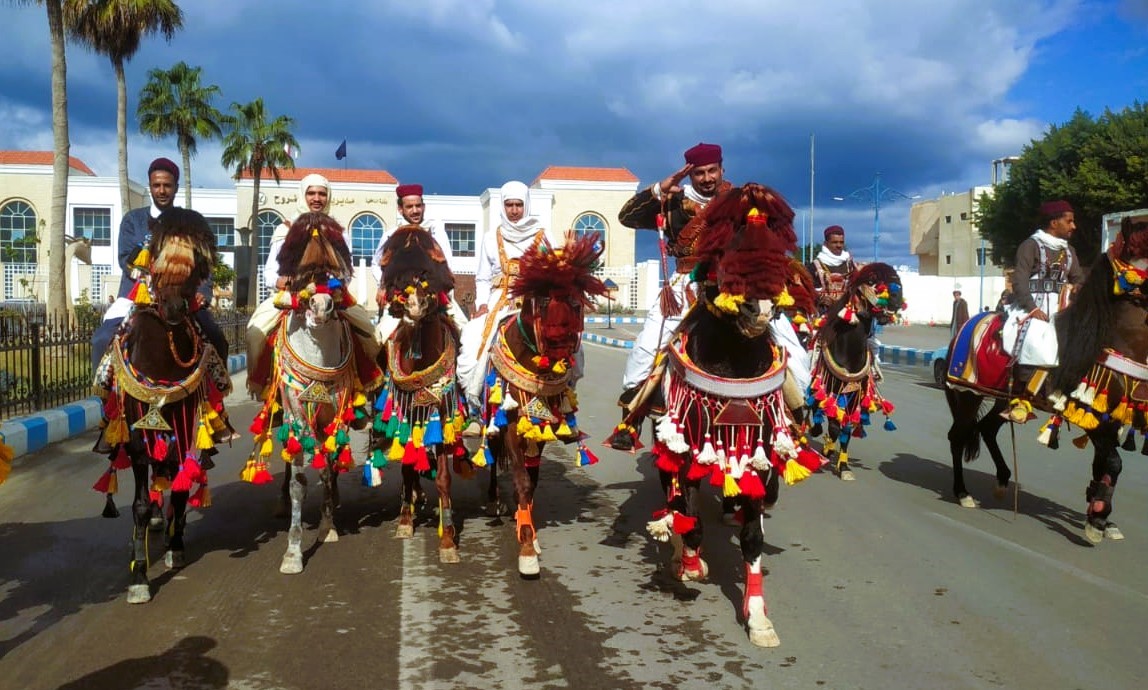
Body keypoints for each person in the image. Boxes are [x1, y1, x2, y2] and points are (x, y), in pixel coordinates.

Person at [614, 142, 731, 420]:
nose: (707, 179)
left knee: (787, 344)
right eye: (699, 173)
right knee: (647, 346)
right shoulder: (673, 201)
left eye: (712, 171)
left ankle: (795, 412)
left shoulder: (738, 200)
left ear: (721, 169)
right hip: (683, 286)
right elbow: (626, 217)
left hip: (731, 285)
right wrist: (658, 190)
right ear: (690, 176)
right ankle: (632, 411)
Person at [245, 175, 380, 397]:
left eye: (322, 193)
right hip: (291, 296)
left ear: (328, 197)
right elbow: (270, 271)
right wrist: (280, 281)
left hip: (332, 295)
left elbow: (346, 272)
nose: (316, 198)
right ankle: (267, 391)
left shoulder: (338, 232)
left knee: (370, 335)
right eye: (311, 193)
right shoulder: (285, 229)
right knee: (254, 336)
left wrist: (334, 284)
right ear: (302, 195)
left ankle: (360, 391)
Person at [91, 157, 227, 373]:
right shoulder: (132, 220)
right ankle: (104, 397)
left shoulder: (191, 221)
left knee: (216, 337)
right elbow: (125, 259)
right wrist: (154, 282)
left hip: (183, 298)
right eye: (156, 185)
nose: (162, 190)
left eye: (167, 185)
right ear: (150, 186)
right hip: (137, 297)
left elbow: (206, 262)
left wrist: (203, 291)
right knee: (101, 339)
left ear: (175, 187)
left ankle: (215, 396)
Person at [457, 181, 562, 412]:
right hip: (500, 300)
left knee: (565, 341)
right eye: (509, 205)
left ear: (526, 205)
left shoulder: (544, 236)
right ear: (502, 206)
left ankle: (562, 400)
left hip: (536, 302)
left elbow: (556, 272)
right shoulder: (490, 238)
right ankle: (475, 404)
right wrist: (483, 303)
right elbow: (483, 277)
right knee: (474, 340)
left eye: (518, 205)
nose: (514, 211)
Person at [370, 183, 468, 340]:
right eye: (409, 207)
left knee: (465, 333)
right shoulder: (391, 235)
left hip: (435, 296)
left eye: (418, 206)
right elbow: (376, 264)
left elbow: (447, 263)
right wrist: (382, 286)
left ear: (424, 206)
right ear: (400, 209)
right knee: (380, 338)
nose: (415, 210)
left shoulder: (435, 232)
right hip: (399, 297)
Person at [1001, 199, 1083, 366]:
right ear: (1054, 223)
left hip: (1063, 309)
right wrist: (1033, 309)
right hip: (1032, 308)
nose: (1073, 226)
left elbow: (1078, 278)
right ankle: (1023, 383)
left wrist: (1078, 287)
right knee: (1033, 341)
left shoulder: (1069, 251)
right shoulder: (1030, 245)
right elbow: (1019, 281)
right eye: (1069, 221)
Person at [809, 225, 858, 313]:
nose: (839, 245)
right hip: (823, 315)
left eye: (841, 242)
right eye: (834, 242)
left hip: (848, 314)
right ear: (825, 243)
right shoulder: (814, 266)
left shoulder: (850, 264)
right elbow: (808, 291)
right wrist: (820, 298)